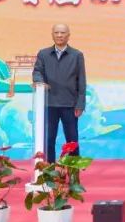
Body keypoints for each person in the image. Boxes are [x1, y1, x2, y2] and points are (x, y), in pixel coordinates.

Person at [33, 24, 86, 158]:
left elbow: (81, 81)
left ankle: (73, 170)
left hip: (70, 105)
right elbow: (37, 71)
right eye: (56, 32)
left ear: (68, 35)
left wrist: (80, 104)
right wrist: (39, 81)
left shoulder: (77, 55)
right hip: (49, 104)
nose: (59, 35)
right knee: (49, 140)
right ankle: (49, 169)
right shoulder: (43, 54)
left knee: (72, 141)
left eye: (62, 33)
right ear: (52, 35)